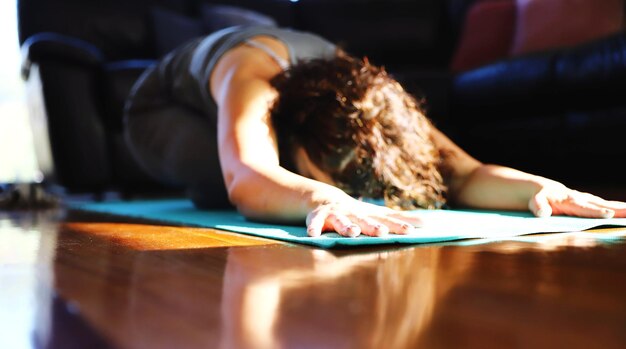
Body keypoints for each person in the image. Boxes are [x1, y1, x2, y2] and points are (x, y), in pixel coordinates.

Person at [124, 25, 626, 238]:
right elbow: (247, 173)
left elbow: (464, 172)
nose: (358, 197)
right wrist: (324, 197)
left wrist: (544, 189)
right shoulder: (253, 77)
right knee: (223, 185)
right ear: (293, 134)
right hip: (160, 110)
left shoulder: (375, 98)